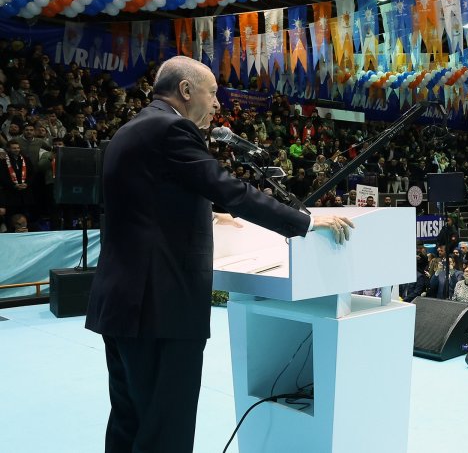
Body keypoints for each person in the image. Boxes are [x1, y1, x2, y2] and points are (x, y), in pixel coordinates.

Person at [84, 56, 353, 453]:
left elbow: (148, 204)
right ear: (186, 90)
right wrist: (306, 222)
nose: (216, 104)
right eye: (212, 93)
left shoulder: (133, 129)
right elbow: (229, 188)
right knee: (165, 431)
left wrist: (207, 214)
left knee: (130, 423)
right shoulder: (172, 128)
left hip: (122, 305)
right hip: (160, 310)